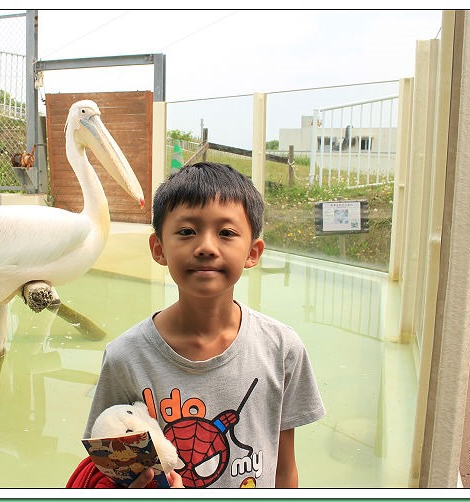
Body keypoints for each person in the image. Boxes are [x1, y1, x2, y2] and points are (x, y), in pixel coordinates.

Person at [81, 162, 326, 488]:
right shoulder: (125, 357)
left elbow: (283, 467)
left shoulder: (281, 349)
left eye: (226, 233)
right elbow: (106, 463)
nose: (206, 247)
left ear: (253, 252)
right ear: (159, 248)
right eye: (186, 232)